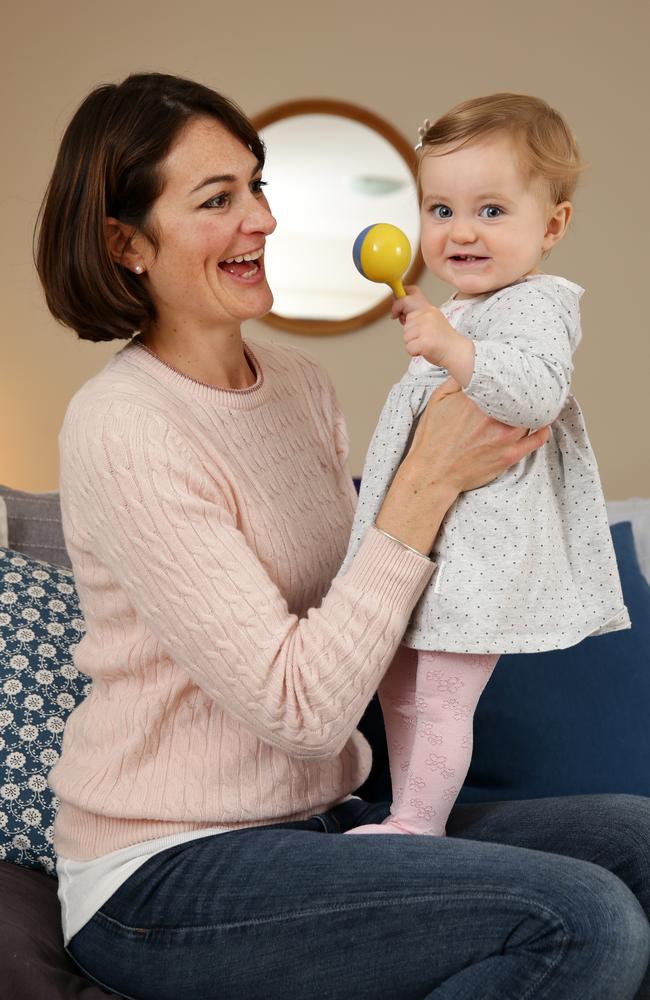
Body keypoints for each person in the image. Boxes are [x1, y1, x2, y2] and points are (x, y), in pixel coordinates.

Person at [35, 73, 650, 1000]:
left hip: (322, 817)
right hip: (166, 870)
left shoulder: (298, 386)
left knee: (640, 843)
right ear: (126, 243)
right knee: (578, 919)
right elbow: (304, 709)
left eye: (258, 186)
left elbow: (361, 604)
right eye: (218, 200)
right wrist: (429, 479)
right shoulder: (122, 426)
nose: (263, 221)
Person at [342, 93, 629, 839]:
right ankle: (411, 813)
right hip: (434, 541)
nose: (461, 231)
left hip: (483, 549)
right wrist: (440, 333)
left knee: (440, 697)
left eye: (492, 211)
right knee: (399, 687)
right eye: (440, 211)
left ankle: (416, 824)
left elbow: (535, 393)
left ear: (552, 226)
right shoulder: (464, 306)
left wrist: (452, 352)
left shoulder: (539, 303)